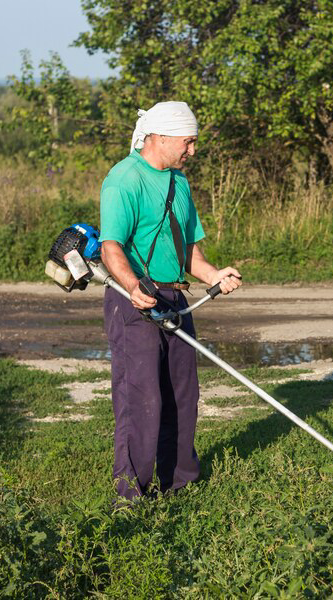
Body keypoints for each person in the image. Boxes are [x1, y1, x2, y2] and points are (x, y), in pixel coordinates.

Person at [99, 101, 242, 501]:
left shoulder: (179, 184)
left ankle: (179, 484)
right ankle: (131, 495)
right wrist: (132, 287)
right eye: (188, 142)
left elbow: (188, 250)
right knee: (141, 396)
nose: (192, 151)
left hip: (175, 298)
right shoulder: (124, 180)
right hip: (134, 298)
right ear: (160, 138)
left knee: (183, 393)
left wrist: (213, 275)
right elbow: (111, 247)